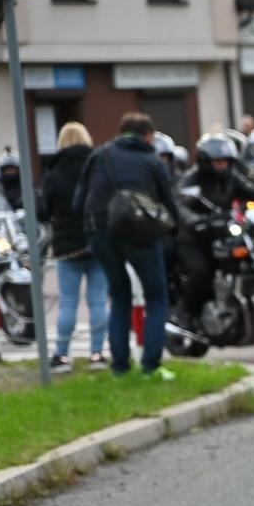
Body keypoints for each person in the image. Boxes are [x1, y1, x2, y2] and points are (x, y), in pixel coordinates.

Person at [75, 111, 179, 377]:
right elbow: (168, 202)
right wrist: (174, 231)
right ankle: (151, 367)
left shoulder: (99, 155)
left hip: (99, 231)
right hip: (139, 232)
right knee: (156, 297)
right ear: (148, 135)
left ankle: (120, 367)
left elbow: (78, 201)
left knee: (119, 297)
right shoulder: (151, 159)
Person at [172, 132, 254, 325]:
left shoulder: (231, 178)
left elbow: (253, 191)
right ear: (205, 161)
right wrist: (194, 219)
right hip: (194, 237)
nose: (223, 165)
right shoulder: (191, 179)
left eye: (226, 161)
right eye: (218, 162)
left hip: (223, 232)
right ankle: (185, 314)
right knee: (202, 271)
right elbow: (180, 205)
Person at [41, 122, 108, 371]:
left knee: (68, 302)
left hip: (67, 245)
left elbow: (44, 209)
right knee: (98, 301)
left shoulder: (54, 170)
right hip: (97, 240)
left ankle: (62, 357)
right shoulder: (98, 164)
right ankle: (97, 355)